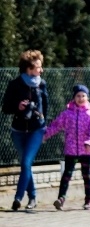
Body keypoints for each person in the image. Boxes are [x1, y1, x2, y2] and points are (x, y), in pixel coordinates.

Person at [1, 50, 49, 211]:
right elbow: (5, 107)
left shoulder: (42, 84)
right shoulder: (14, 84)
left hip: (37, 129)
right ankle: (33, 197)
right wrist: (18, 106)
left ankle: (18, 197)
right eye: (38, 67)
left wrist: (45, 125)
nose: (41, 70)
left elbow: (46, 105)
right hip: (18, 131)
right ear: (28, 68)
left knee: (26, 162)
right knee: (26, 166)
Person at [43, 84, 90, 210]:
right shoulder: (67, 114)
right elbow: (56, 125)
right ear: (74, 98)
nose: (80, 98)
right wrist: (45, 135)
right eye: (78, 96)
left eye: (83, 96)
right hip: (71, 150)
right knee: (66, 175)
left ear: (87, 98)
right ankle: (61, 198)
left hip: (86, 151)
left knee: (87, 176)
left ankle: (89, 200)